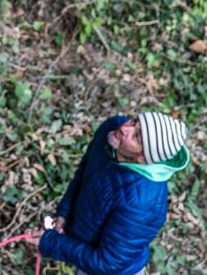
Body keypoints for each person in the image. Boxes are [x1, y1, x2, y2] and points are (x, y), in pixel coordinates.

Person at [35, 112, 190, 275]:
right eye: (134, 121)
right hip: (85, 245)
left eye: (136, 136)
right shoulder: (112, 131)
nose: (124, 128)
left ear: (143, 159)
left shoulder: (143, 203)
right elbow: (84, 173)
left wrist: (51, 243)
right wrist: (63, 214)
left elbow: (108, 262)